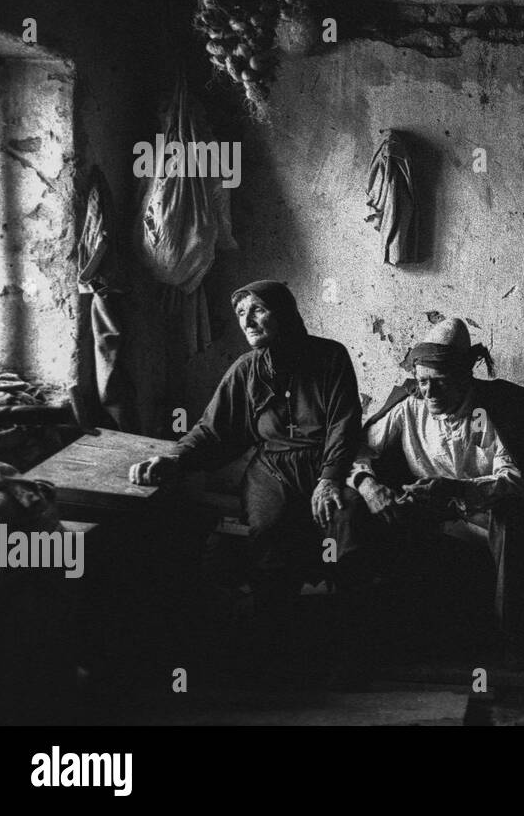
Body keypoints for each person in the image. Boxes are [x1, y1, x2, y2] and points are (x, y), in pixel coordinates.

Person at [128, 279, 365, 682]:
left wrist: (329, 479)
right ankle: (275, 650)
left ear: (284, 312)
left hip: (327, 464)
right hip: (272, 467)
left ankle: (349, 647)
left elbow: (345, 423)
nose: (247, 320)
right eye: (241, 314)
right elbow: (212, 430)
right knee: (270, 531)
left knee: (348, 523)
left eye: (257, 309)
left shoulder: (330, 356)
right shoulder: (246, 370)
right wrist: (174, 458)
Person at [348, 317, 524, 664]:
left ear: (465, 378)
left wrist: (456, 489)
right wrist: (367, 483)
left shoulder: (487, 411)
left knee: (515, 521)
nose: (429, 393)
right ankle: (369, 640)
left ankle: (511, 638)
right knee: (360, 514)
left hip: (482, 511)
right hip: (428, 509)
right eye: (422, 382)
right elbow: (357, 448)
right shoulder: (411, 405)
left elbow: (514, 478)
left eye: (440, 383)